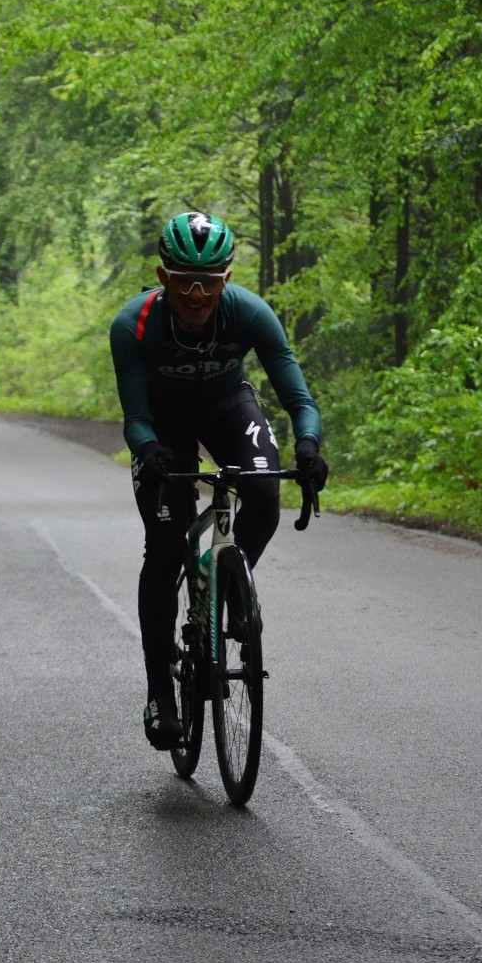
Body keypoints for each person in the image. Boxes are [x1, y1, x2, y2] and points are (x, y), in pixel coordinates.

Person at [110, 211, 328, 750]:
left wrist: (308, 444)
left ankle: (230, 586)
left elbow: (298, 397)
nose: (198, 293)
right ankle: (160, 692)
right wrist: (148, 449)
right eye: (185, 279)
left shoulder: (249, 313)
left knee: (264, 495)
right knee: (164, 548)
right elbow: (135, 416)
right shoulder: (133, 324)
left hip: (228, 406)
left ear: (227, 279)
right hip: (164, 424)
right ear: (163, 278)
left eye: (210, 281)